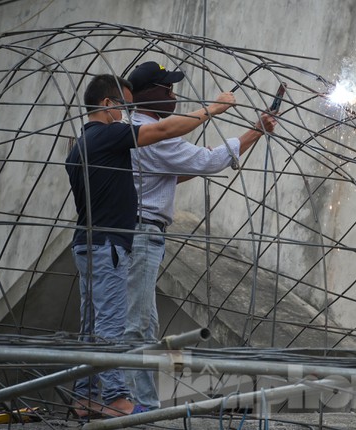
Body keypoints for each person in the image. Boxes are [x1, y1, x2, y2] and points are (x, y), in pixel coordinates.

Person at [65, 72, 235, 417]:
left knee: (91, 325)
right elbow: (161, 131)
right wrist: (212, 110)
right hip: (109, 243)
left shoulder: (81, 144)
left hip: (85, 243)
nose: (128, 115)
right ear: (107, 104)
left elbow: (166, 166)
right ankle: (115, 398)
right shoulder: (108, 135)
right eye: (124, 107)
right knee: (113, 326)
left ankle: (85, 397)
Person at [122, 61, 276, 409]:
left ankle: (127, 398)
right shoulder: (152, 134)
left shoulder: (135, 130)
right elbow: (208, 160)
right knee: (140, 324)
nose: (173, 95)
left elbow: (171, 174)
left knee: (137, 319)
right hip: (142, 233)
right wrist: (256, 131)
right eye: (168, 89)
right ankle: (140, 405)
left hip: (137, 233)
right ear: (149, 95)